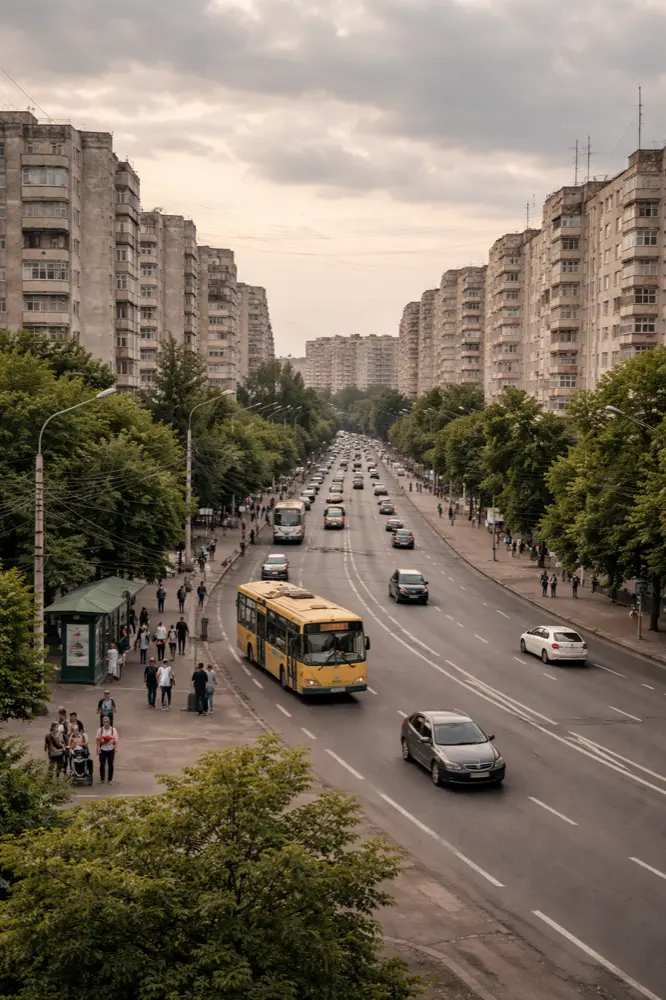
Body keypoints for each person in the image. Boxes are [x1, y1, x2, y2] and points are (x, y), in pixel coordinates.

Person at [96, 716, 118, 784]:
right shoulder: (100, 730)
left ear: (109, 722)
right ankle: (102, 778)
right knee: (102, 764)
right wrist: (98, 748)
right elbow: (97, 739)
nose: (105, 723)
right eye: (104, 722)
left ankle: (110, 779)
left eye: (107, 722)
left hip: (110, 749)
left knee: (110, 764)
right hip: (103, 749)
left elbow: (116, 739)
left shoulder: (113, 730)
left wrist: (115, 747)